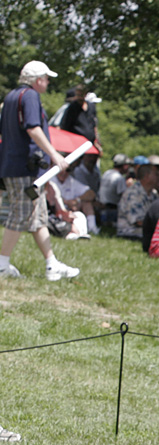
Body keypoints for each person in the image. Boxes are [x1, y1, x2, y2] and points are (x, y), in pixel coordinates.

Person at [0, 60, 80, 281]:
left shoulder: (11, 97)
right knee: (22, 212)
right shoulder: (31, 97)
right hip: (25, 168)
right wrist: (54, 155)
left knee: (38, 215)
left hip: (15, 166)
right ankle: (2, 263)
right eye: (46, 79)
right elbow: (33, 128)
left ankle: (51, 264)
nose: (47, 83)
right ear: (38, 80)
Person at [116, 163, 159, 239]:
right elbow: (138, 221)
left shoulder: (153, 193)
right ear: (147, 177)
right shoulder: (133, 194)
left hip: (146, 231)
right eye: (156, 175)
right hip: (130, 232)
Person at [52, 162, 97, 235]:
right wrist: (67, 202)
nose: (64, 173)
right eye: (62, 170)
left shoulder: (71, 181)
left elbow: (91, 194)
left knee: (87, 204)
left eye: (67, 170)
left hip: (71, 210)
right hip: (56, 209)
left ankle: (92, 228)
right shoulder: (51, 180)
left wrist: (76, 200)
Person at [59, 85, 101, 151]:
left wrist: (97, 140)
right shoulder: (72, 107)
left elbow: (94, 125)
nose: (79, 97)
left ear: (85, 94)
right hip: (76, 144)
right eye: (78, 95)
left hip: (90, 143)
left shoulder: (91, 106)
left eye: (81, 95)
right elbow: (64, 125)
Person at [98, 153, 130, 225]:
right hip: (112, 210)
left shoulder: (107, 173)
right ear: (124, 166)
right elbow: (125, 197)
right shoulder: (119, 178)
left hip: (101, 209)